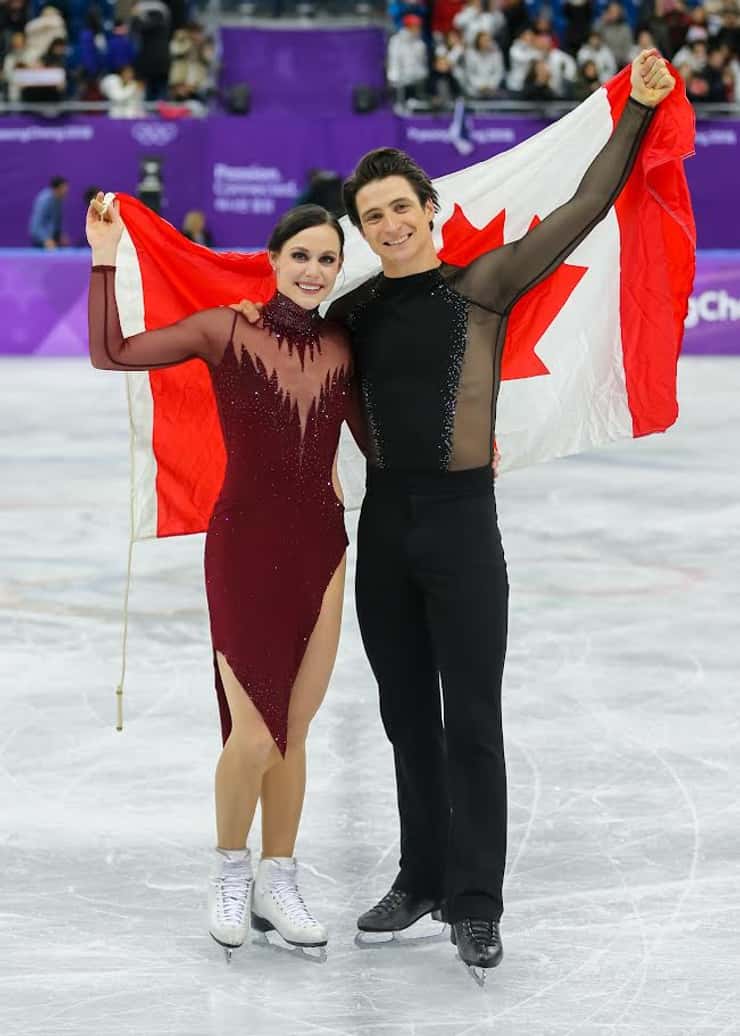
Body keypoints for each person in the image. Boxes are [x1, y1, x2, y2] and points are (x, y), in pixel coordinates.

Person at [232, 49, 676, 975]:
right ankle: (422, 877)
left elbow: (584, 208)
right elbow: (268, 325)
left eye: (401, 207)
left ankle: (476, 901)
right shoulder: (349, 314)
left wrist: (634, 110)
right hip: (386, 525)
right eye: (372, 215)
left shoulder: (483, 288)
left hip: (465, 526)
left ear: (428, 213)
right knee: (403, 714)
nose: (389, 223)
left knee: (471, 715)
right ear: (361, 231)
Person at [86, 198, 365, 960]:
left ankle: (280, 876)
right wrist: (105, 256)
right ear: (273, 260)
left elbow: (385, 441)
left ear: (340, 270)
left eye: (328, 259)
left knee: (294, 730)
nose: (313, 270)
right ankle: (231, 868)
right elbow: (112, 353)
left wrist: (471, 438)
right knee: (253, 731)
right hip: (243, 544)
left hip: (324, 547)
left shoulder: (346, 346)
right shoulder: (226, 329)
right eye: (301, 255)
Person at [29, 175, 69, 250]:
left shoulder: (58, 200)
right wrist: (45, 239)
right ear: (58, 188)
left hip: (52, 239)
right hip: (42, 242)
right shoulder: (44, 200)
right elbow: (36, 224)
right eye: (64, 188)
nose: (66, 191)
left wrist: (59, 235)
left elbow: (55, 221)